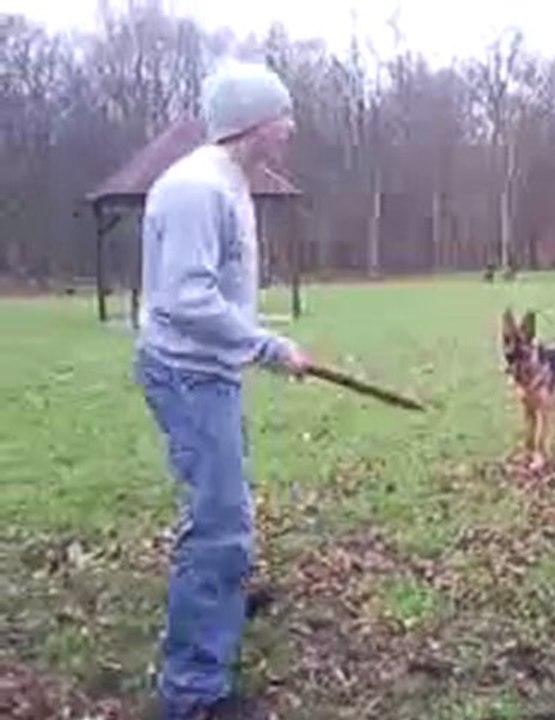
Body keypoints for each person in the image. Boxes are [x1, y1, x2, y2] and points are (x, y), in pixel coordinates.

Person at [134, 60, 311, 720]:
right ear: (251, 123)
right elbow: (185, 300)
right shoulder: (196, 188)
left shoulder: (232, 183)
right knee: (218, 524)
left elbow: (217, 292)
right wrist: (268, 347)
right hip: (186, 374)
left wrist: (259, 348)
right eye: (282, 118)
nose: (290, 130)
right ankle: (191, 694)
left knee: (228, 507)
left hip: (210, 372)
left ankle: (222, 601)